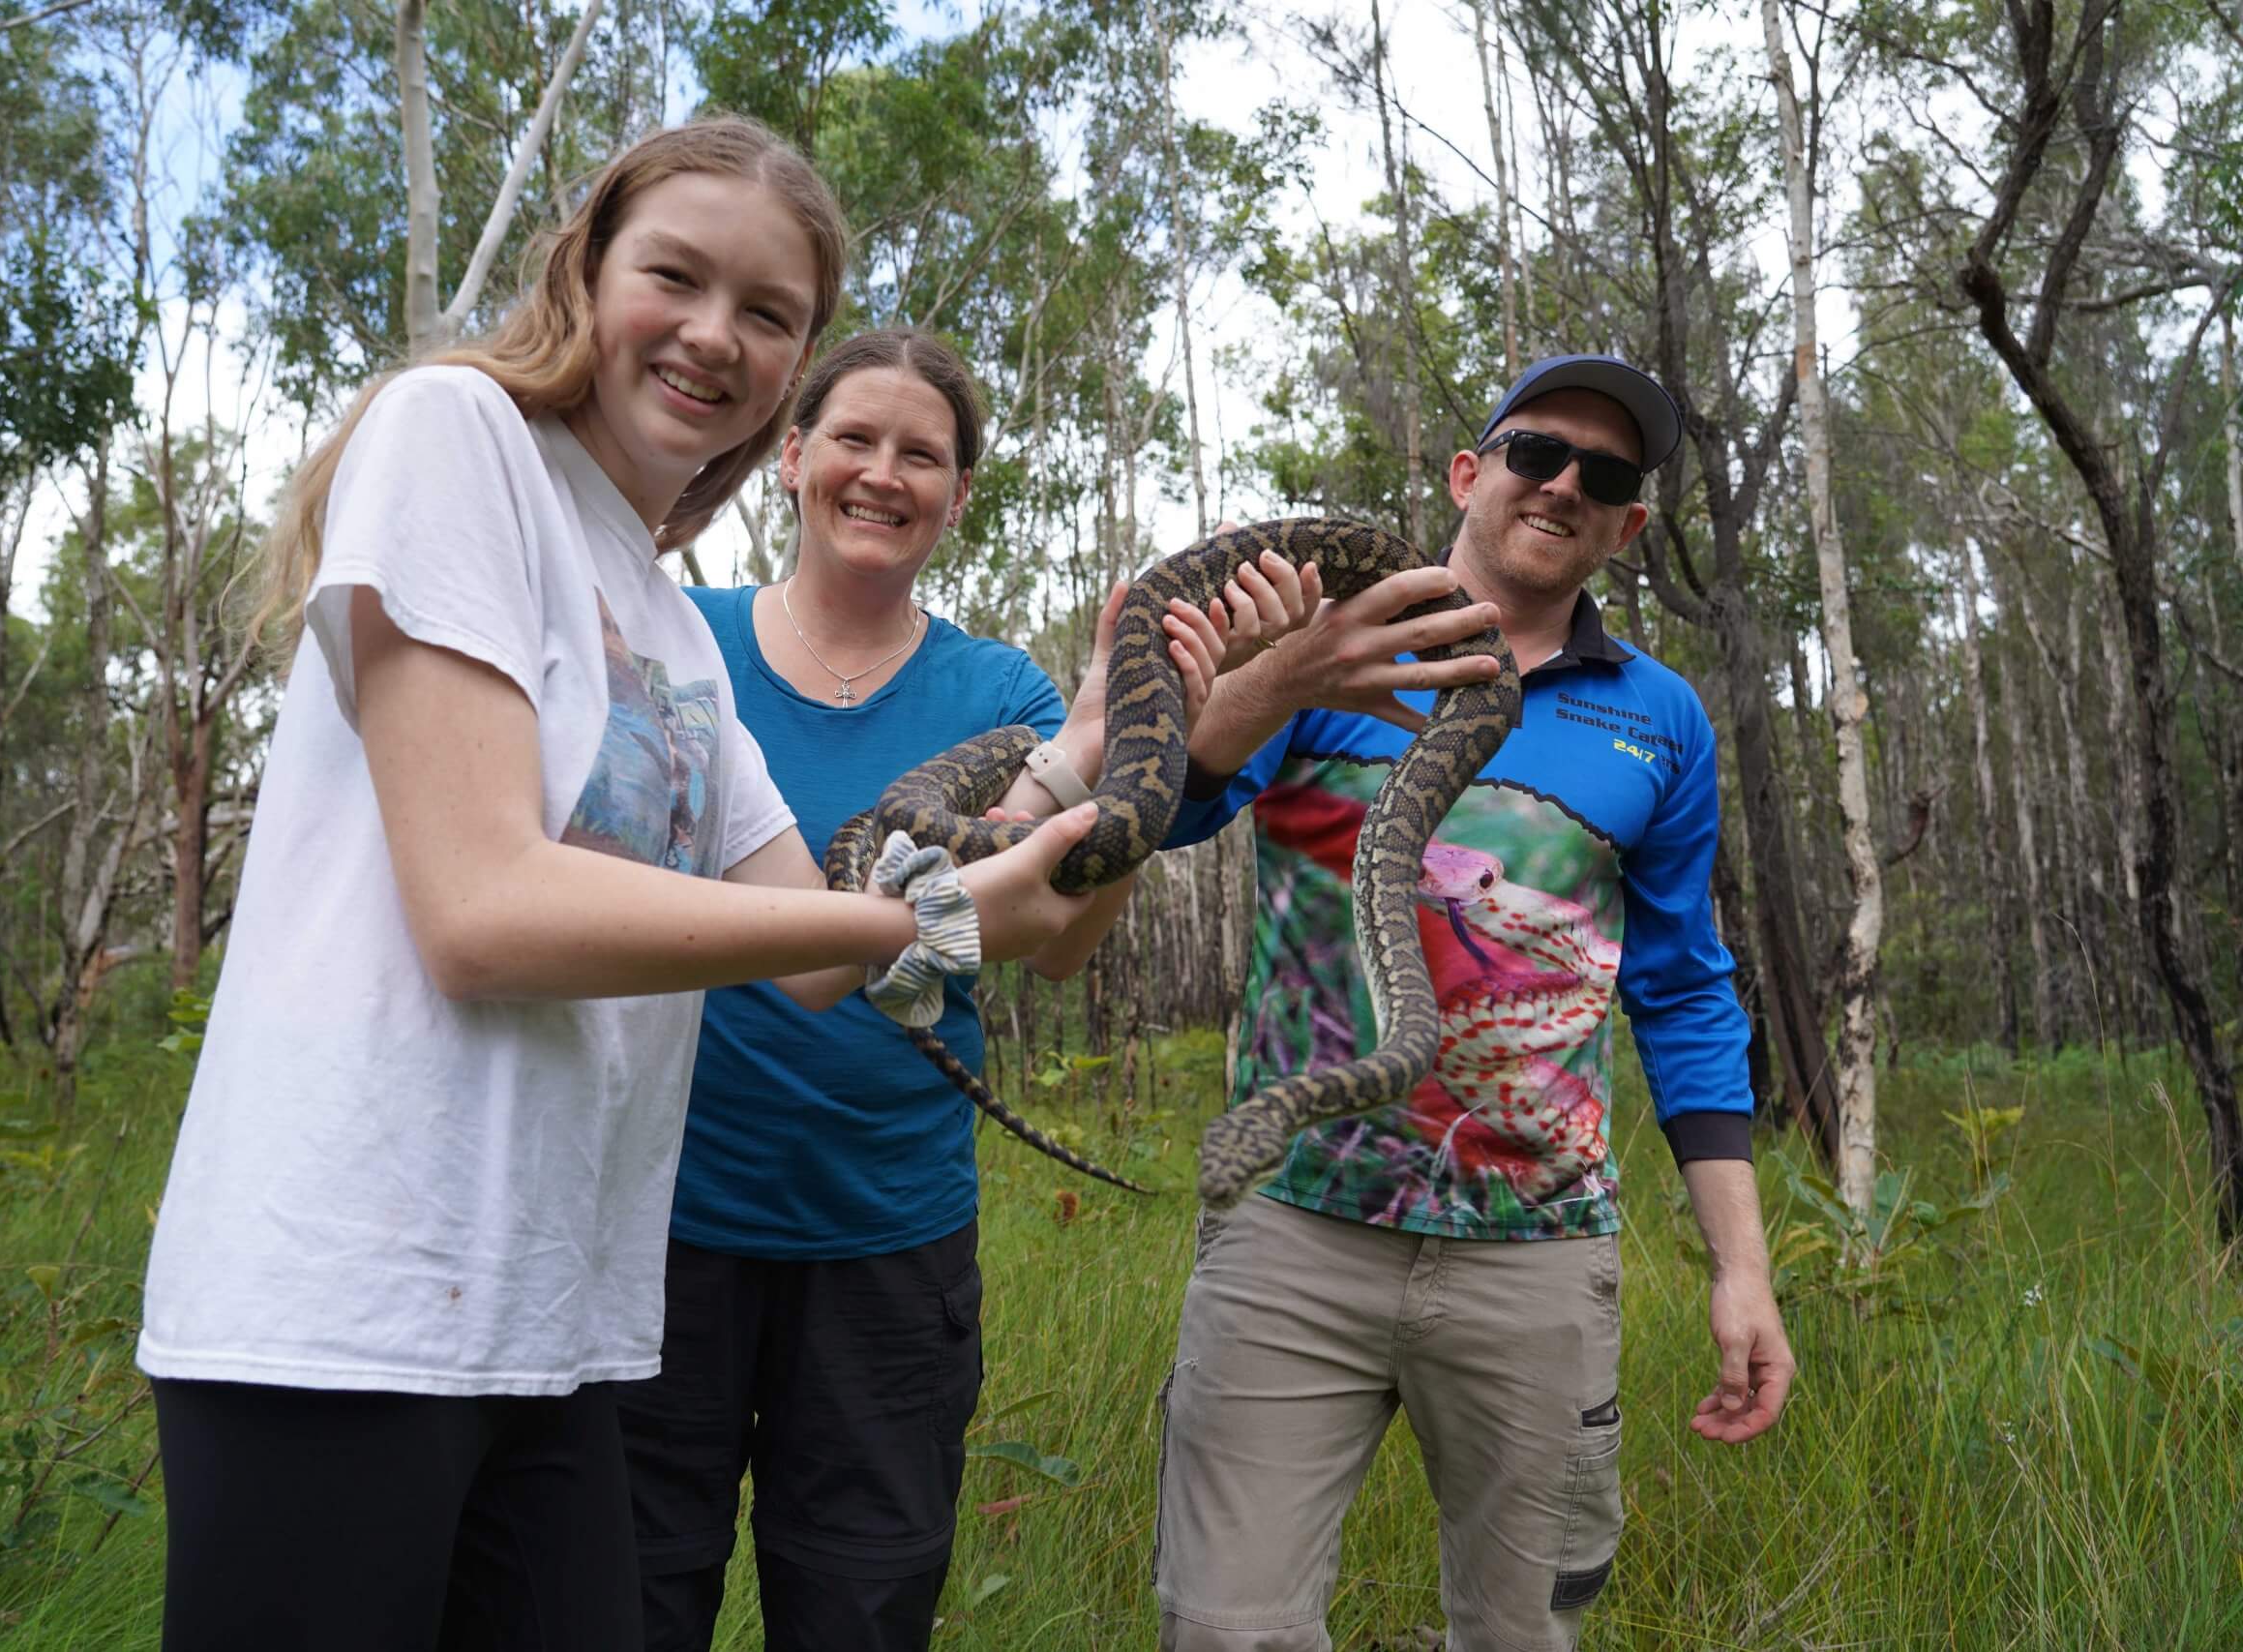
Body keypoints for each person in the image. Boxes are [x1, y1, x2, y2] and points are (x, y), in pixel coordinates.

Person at [134, 120, 1108, 1652]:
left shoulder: (661, 614)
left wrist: (1092, 754)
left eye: (770, 313)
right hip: (348, 1305)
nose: (716, 336)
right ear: (586, 271)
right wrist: (925, 920)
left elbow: (806, 942)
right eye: (678, 276)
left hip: (552, 1323)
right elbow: (482, 913)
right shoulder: (457, 437)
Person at [618, 326, 1272, 1652]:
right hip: (656, 1222)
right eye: (854, 437)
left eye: (923, 454)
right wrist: (984, 862)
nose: (883, 472)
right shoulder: (680, 637)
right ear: (792, 455)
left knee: (862, 1606)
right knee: (627, 1597)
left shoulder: (1008, 694)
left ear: (959, 495)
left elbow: (1064, 943)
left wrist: (1145, 746)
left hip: (889, 1239)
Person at [1149, 355, 1797, 1652]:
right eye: (1536, 453)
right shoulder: (1337, 641)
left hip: (1540, 1252)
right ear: (1469, 471)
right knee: (1226, 1630)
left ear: (1628, 525)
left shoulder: (1660, 720)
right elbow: (1160, 810)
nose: (1562, 486)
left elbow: (1680, 991)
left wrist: (1743, 1270)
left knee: (1523, 1633)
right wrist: (1290, 670)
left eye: (1604, 478)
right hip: (1291, 1236)